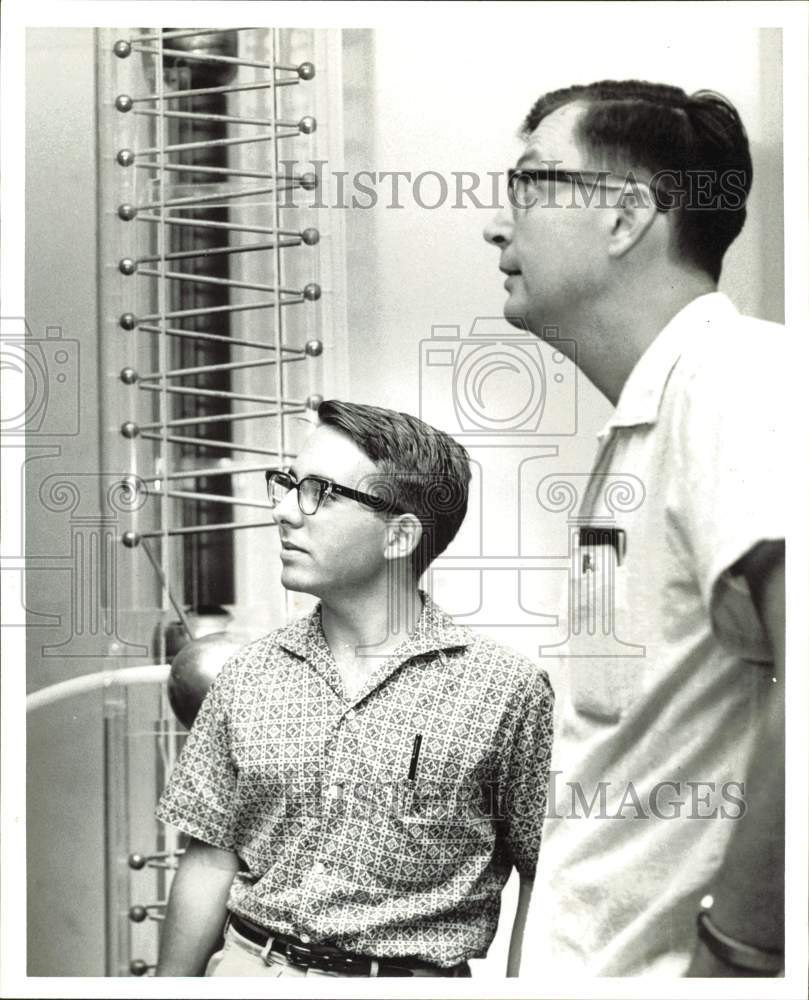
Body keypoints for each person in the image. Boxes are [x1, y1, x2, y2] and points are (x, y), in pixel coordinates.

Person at [484, 81, 784, 977]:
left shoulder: (740, 379)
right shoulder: (640, 432)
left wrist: (740, 954)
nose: (496, 228)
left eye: (530, 185)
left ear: (624, 217)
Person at [154, 399, 554, 978]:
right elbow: (210, 858)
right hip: (247, 968)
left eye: (319, 491)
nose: (286, 511)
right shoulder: (249, 673)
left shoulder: (505, 690)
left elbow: (543, 873)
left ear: (400, 536)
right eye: (287, 484)